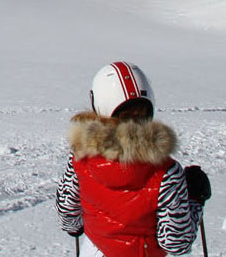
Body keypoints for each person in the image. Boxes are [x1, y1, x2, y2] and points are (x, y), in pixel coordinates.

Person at [56, 62, 209, 257]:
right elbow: (175, 243)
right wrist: (194, 199)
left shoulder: (80, 157)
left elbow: (68, 216)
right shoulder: (166, 173)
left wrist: (81, 228)